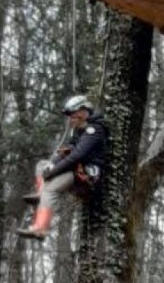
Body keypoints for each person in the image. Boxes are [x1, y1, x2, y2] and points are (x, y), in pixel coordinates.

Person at [18, 94, 108, 241]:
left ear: (84, 111)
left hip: (89, 174)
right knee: (43, 165)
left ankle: (40, 229)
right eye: (70, 115)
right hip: (76, 170)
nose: (71, 118)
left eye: (74, 114)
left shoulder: (94, 130)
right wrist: (52, 164)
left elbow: (77, 156)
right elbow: (69, 151)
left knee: (52, 187)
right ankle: (42, 194)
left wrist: (53, 171)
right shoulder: (78, 130)